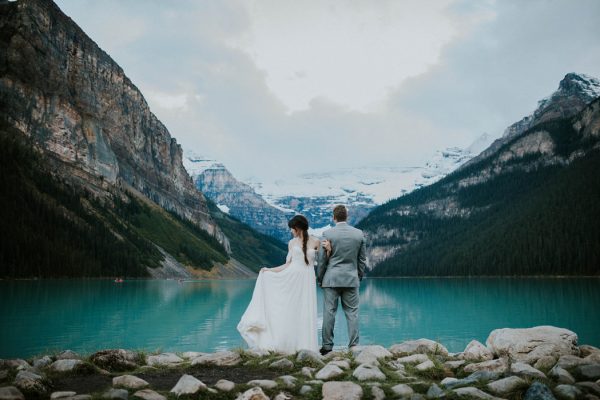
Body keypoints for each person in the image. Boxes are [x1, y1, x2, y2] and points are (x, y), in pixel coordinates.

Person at [237, 215, 320, 353]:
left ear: (297, 228)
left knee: (305, 309)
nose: (291, 231)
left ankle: (305, 347)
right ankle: (288, 344)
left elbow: (321, 260)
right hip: (292, 278)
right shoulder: (292, 243)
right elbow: (287, 264)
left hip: (307, 279)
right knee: (289, 309)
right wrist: (269, 270)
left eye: (292, 229)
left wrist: (328, 249)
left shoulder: (316, 241)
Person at [316, 204, 368, 355]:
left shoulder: (328, 234)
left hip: (331, 279)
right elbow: (362, 260)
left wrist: (320, 278)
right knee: (352, 313)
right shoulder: (359, 234)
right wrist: (358, 276)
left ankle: (327, 347)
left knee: (329, 313)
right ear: (347, 217)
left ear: (334, 217)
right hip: (351, 279)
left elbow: (322, 260)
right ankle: (353, 346)